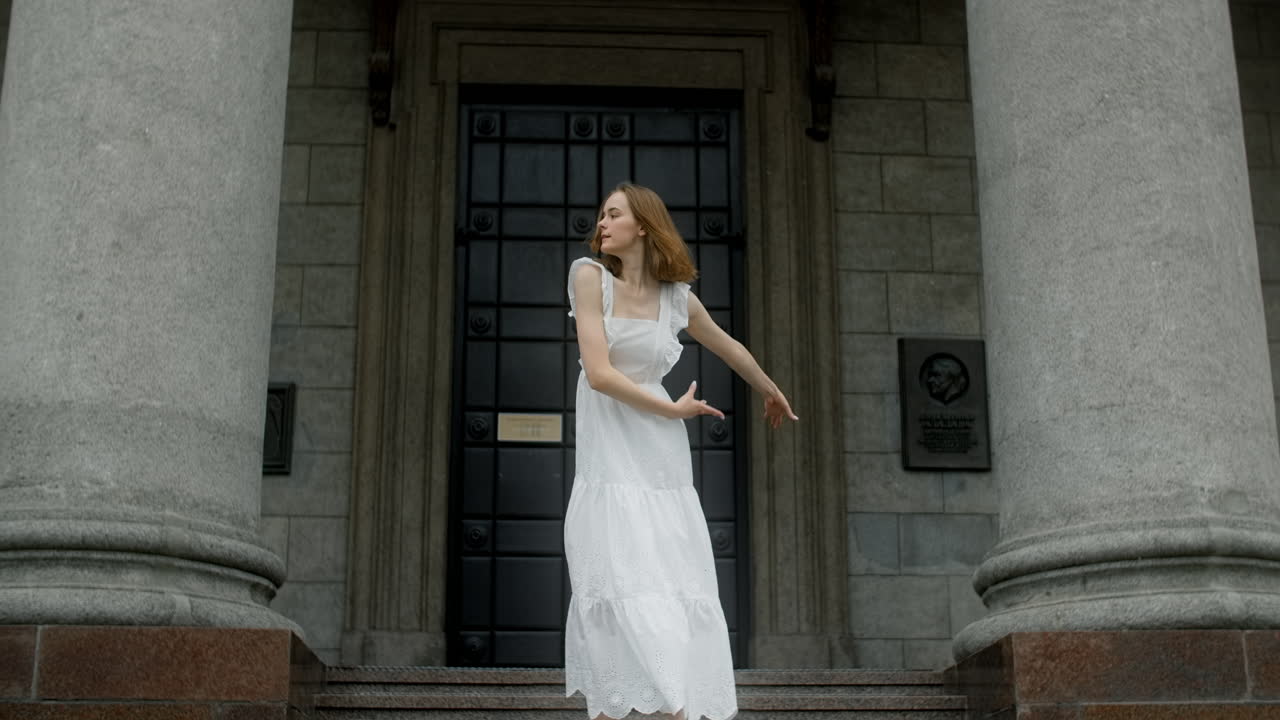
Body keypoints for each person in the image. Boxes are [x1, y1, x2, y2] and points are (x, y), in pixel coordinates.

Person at [563, 183, 799, 720]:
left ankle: (674, 705)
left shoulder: (676, 298)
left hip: (659, 464)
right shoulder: (588, 277)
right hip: (611, 458)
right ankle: (614, 705)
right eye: (601, 215)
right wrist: (670, 410)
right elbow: (599, 375)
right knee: (614, 583)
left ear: (643, 225)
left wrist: (769, 388)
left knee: (667, 582)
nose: (602, 223)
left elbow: (728, 345)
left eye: (614, 214)